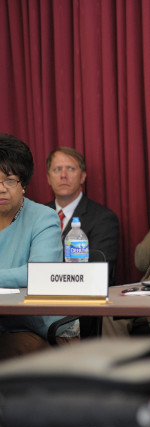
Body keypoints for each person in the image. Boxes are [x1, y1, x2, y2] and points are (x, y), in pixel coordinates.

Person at [0, 134, 73, 358]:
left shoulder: (44, 218)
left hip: (35, 327)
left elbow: (40, 273)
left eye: (9, 180)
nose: (1, 188)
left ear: (24, 184)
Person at [45, 147, 120, 283]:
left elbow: (99, 272)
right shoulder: (38, 215)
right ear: (48, 178)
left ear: (83, 177)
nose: (63, 175)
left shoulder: (103, 219)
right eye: (57, 169)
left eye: (70, 169)